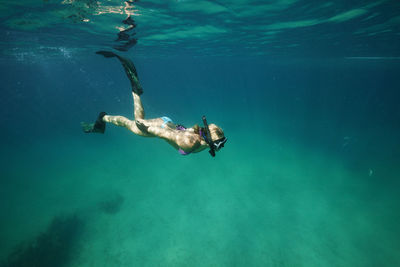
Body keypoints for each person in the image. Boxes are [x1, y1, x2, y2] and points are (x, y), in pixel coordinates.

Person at [81, 51, 227, 157]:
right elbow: (166, 135)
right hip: (160, 128)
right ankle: (103, 118)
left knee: (139, 115)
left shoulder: (206, 134)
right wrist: (147, 128)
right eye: (220, 143)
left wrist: (213, 139)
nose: (221, 146)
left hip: (167, 122)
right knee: (129, 123)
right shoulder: (191, 143)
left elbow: (208, 129)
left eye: (221, 143)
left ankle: (134, 92)